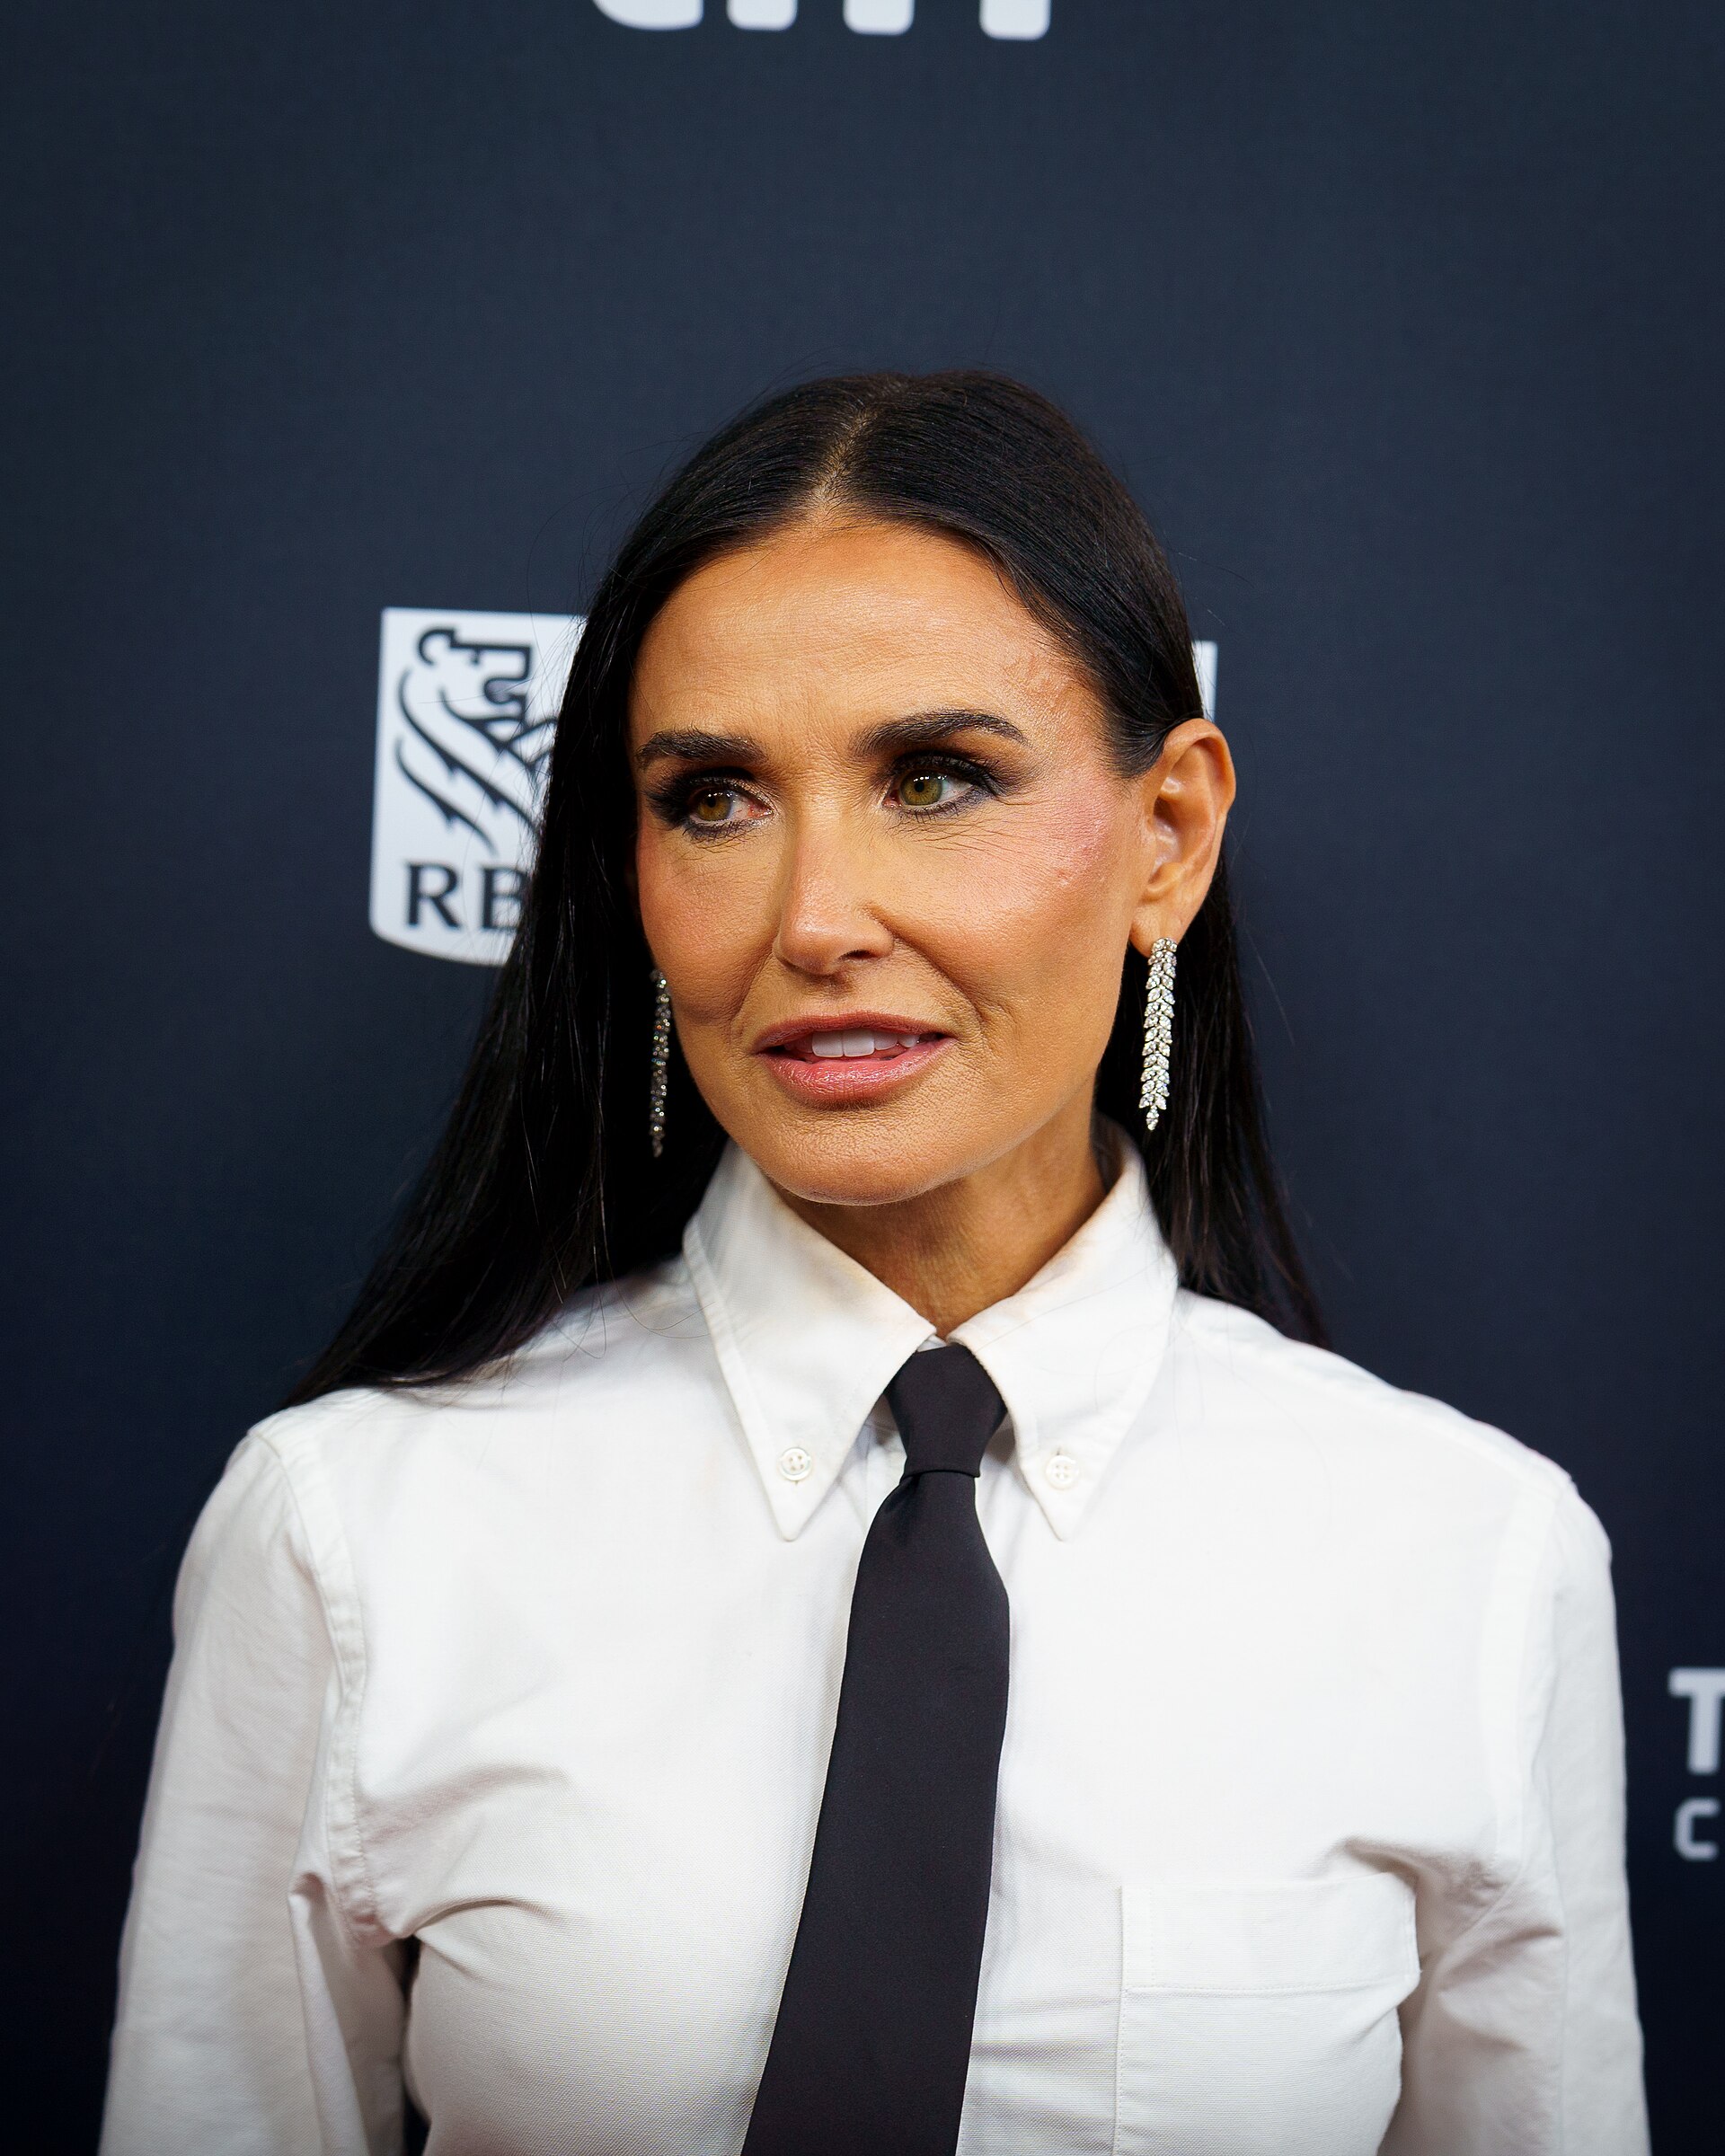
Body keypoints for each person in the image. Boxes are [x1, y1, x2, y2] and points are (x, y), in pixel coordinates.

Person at [101, 372, 1647, 2155]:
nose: (815, 916)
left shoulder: (1469, 1556)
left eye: (935, 779)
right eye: (714, 799)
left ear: (1168, 838)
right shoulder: (355, 1528)